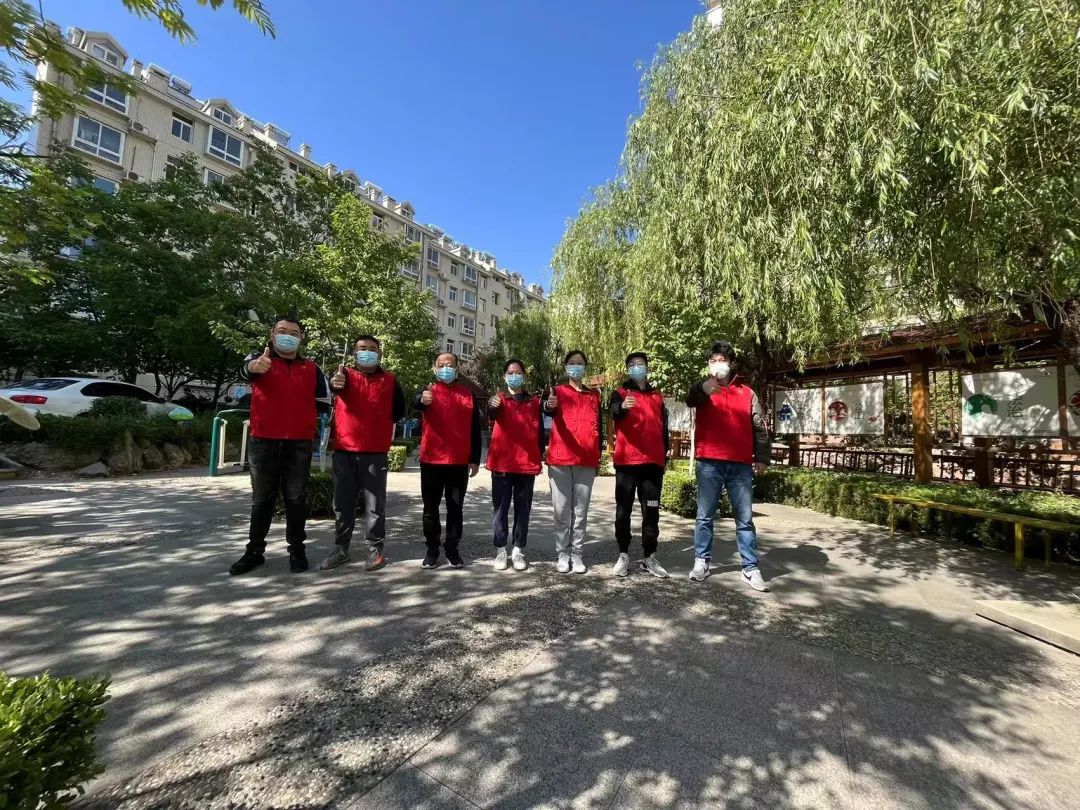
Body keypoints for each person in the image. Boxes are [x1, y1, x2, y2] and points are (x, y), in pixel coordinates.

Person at [229, 316, 330, 576]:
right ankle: (254, 552)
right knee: (262, 498)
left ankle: (297, 549)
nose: (288, 336)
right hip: (263, 440)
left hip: (299, 442)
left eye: (294, 333)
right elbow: (244, 370)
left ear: (301, 338)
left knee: (296, 497)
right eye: (282, 331)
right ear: (272, 334)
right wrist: (254, 366)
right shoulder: (259, 360)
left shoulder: (312, 368)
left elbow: (324, 402)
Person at [684, 341, 771, 591]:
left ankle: (750, 568)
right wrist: (702, 388)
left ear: (731, 363)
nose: (717, 364)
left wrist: (762, 457)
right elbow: (690, 399)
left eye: (722, 359)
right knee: (704, 516)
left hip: (740, 465)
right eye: (713, 360)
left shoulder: (747, 393)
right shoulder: (704, 389)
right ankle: (701, 561)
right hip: (709, 462)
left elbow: (759, 426)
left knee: (744, 519)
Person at [320, 335, 406, 573]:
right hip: (344, 451)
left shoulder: (390, 380)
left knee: (375, 504)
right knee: (342, 503)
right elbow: (334, 385)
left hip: (375, 452)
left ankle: (375, 548)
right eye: (362, 348)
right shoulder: (343, 375)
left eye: (372, 348)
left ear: (379, 353)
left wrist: (377, 422)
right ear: (354, 353)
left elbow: (399, 411)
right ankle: (341, 548)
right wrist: (335, 382)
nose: (367, 352)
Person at [414, 352, 481, 569]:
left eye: (450, 364)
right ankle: (432, 549)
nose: (445, 368)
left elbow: (475, 429)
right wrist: (421, 400)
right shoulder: (427, 391)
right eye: (441, 365)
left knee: (455, 509)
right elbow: (416, 403)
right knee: (430, 509)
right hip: (431, 460)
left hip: (458, 462)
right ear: (435, 369)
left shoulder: (468, 394)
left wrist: (475, 459)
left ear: (457, 368)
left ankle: (452, 549)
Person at [609, 352, 670, 578]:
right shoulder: (620, 393)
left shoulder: (657, 395)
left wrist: (664, 455)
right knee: (623, 511)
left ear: (647, 367)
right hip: (627, 462)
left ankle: (649, 556)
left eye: (641, 364)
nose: (637, 367)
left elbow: (663, 427)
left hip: (653, 464)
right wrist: (622, 407)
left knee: (651, 511)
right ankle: (623, 554)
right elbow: (614, 412)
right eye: (632, 364)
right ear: (628, 369)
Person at [545, 350, 603, 574]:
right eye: (572, 363)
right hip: (560, 460)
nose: (576, 367)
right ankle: (562, 553)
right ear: (566, 367)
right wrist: (549, 405)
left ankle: (577, 554)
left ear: (585, 367)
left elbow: (599, 427)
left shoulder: (594, 395)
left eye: (580, 363)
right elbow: (547, 409)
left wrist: (598, 457)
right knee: (561, 510)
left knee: (581, 511)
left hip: (586, 460)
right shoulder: (557, 392)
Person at [487, 359, 545, 572]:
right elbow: (490, 413)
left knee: (523, 510)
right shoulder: (499, 400)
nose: (514, 376)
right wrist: (492, 405)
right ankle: (501, 549)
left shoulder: (534, 402)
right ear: (504, 376)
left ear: (523, 376)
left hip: (526, 464)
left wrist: (539, 457)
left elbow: (540, 433)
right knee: (500, 509)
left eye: (518, 372)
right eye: (510, 373)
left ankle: (518, 550)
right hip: (502, 463)